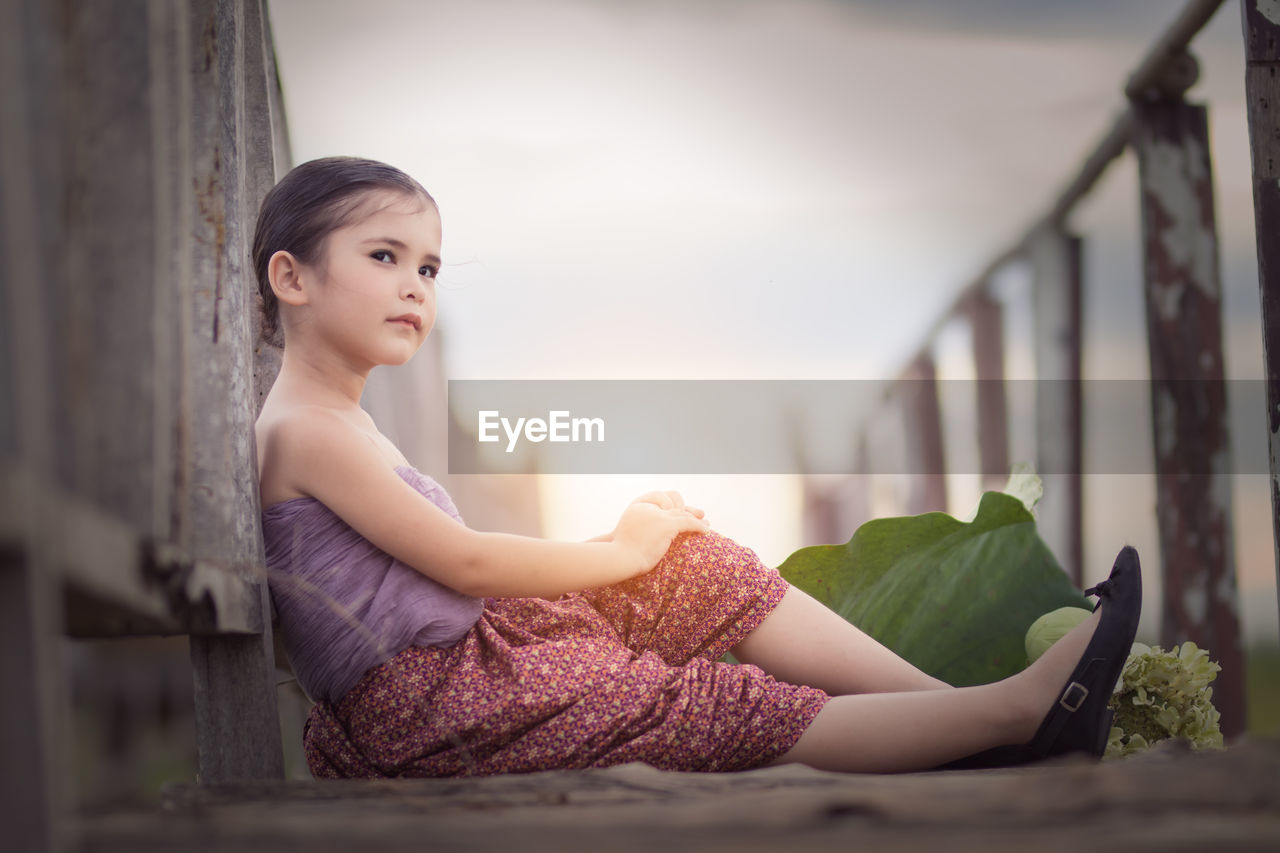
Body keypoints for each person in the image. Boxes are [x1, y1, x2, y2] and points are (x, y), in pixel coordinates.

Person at [252, 156, 1142, 778]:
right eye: (385, 257)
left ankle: (956, 716)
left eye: (430, 267)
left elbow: (451, 572)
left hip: (469, 659)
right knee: (704, 705)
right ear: (292, 278)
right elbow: (466, 562)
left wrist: (637, 546)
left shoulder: (344, 421)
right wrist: (623, 548)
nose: (417, 286)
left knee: (695, 566)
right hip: (432, 707)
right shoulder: (310, 431)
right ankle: (1009, 719)